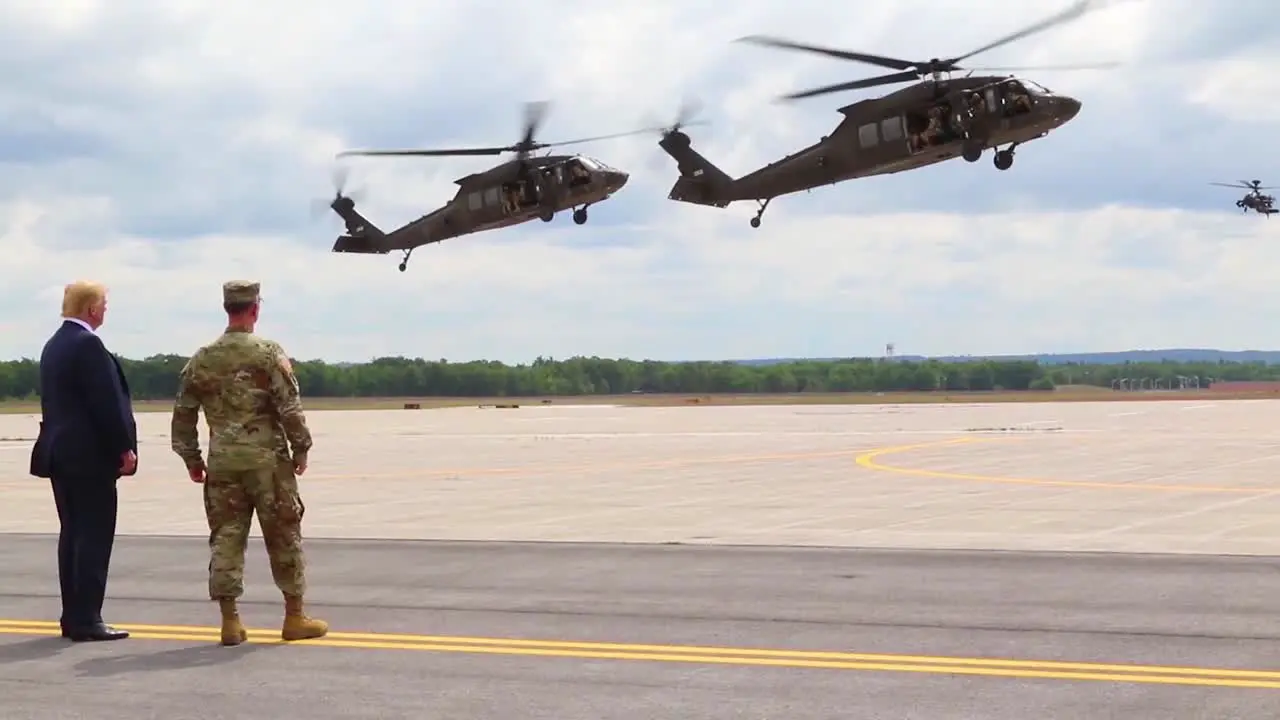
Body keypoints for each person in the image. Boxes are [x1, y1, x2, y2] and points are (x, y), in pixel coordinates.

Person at [169, 280, 328, 646]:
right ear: (255, 309)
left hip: (223, 463)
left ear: (228, 308)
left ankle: (230, 621)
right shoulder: (268, 353)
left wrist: (192, 458)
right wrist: (301, 447)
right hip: (267, 463)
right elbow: (290, 407)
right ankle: (294, 616)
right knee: (283, 535)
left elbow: (183, 415)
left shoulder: (202, 358)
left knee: (226, 538)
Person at [29, 280, 137, 642]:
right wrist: (124, 447)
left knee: (73, 534)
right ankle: (87, 618)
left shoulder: (54, 345)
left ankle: (73, 615)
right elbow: (105, 404)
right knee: (93, 535)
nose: (106, 309)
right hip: (89, 457)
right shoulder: (88, 345)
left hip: (61, 454)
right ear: (91, 308)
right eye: (104, 304)